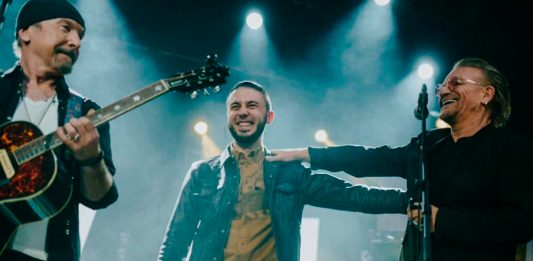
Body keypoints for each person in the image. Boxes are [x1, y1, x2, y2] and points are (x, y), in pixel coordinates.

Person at [266, 57, 533, 260]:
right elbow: (373, 159)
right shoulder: (431, 144)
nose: (442, 91)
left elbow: (521, 223)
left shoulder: (511, 149)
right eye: (443, 85)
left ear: (486, 94)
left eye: (456, 83)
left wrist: (442, 220)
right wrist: (308, 154)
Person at [158, 81, 408, 261]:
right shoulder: (203, 173)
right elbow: (174, 242)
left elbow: (351, 195)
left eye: (252, 105)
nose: (242, 111)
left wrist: (410, 200)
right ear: (228, 116)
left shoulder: (288, 172)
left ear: (269, 116)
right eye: (235, 106)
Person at [0, 0, 118, 260]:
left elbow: (100, 198)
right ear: (26, 32)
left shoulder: (86, 113)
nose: (76, 42)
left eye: (80, 35)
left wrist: (91, 159)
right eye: (66, 28)